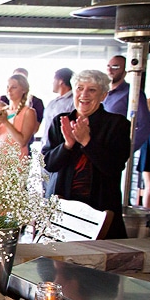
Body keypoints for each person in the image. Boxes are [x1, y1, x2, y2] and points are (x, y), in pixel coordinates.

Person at [43, 69, 130, 239]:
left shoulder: (116, 124)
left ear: (103, 95)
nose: (84, 94)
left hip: (99, 207)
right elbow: (48, 164)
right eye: (79, 88)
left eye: (92, 90)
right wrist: (67, 145)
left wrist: (87, 142)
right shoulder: (61, 121)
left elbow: (114, 167)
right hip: (62, 205)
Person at [104, 54, 150, 153]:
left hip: (113, 150)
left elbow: (144, 126)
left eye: (115, 67)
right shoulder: (101, 92)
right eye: (108, 66)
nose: (110, 70)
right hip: (94, 150)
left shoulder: (132, 93)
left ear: (125, 72)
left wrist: (125, 150)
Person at [0, 74, 38, 157]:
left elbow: (22, 142)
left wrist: (5, 122)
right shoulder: (2, 110)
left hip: (16, 160)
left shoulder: (28, 112)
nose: (9, 90)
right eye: (8, 86)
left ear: (23, 90)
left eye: (14, 87)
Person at [40, 68, 75, 148]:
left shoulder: (73, 102)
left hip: (61, 147)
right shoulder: (52, 102)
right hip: (46, 146)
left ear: (61, 81)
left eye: (54, 80)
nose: (52, 83)